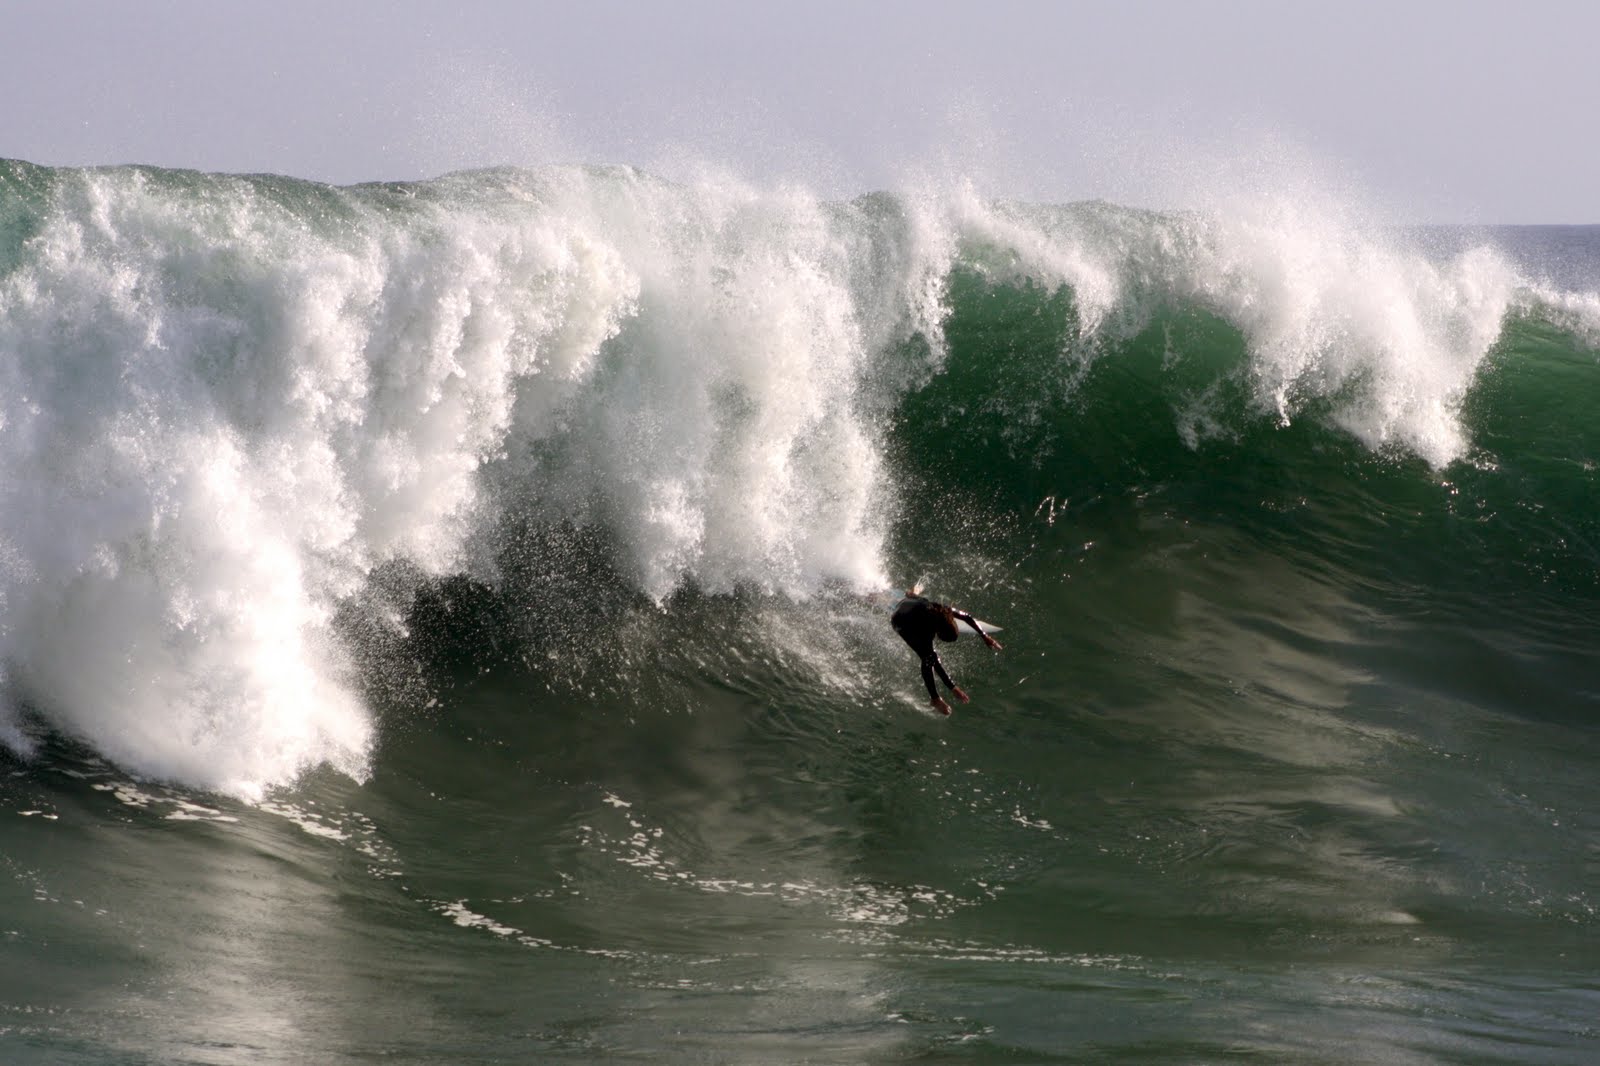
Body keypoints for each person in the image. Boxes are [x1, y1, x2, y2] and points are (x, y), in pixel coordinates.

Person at [891, 590, 1002, 715]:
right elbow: (932, 661)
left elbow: (967, 617)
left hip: (909, 603)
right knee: (927, 657)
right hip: (900, 621)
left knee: (925, 603)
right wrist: (952, 687)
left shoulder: (942, 611)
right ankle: (935, 699)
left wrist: (984, 635)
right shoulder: (926, 631)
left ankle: (912, 595)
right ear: (938, 632)